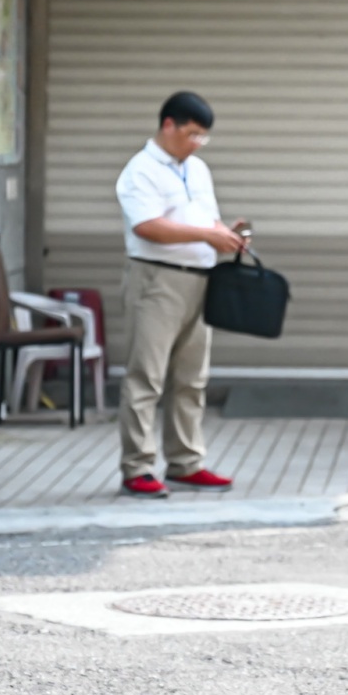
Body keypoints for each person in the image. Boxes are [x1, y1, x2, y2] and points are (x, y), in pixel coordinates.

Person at [114, 91, 247, 498]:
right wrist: (207, 234)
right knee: (146, 376)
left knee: (191, 378)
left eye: (202, 138)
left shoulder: (198, 169)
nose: (195, 144)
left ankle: (186, 461)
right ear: (168, 125)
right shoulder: (141, 171)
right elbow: (148, 226)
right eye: (191, 134)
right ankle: (137, 467)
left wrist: (224, 233)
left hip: (200, 277)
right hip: (157, 280)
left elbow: (203, 218)